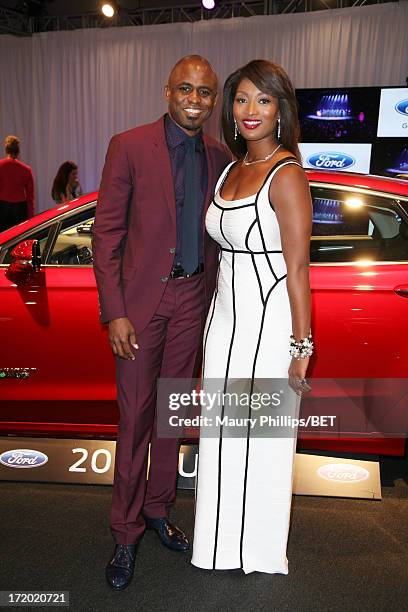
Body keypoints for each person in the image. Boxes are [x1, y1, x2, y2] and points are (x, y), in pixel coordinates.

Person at [92, 55, 231, 590]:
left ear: (213, 100)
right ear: (167, 91)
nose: (195, 101)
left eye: (204, 93)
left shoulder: (218, 155)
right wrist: (115, 312)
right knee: (135, 422)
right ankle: (124, 534)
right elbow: (106, 235)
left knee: (173, 414)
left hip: (194, 298)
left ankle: (156, 508)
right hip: (141, 306)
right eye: (185, 90)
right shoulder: (128, 146)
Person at [191, 59, 313, 574]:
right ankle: (216, 546)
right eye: (241, 99)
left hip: (268, 325)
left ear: (281, 110)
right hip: (222, 325)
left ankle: (258, 551)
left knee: (261, 439)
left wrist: (301, 347)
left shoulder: (287, 174)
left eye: (263, 100)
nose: (250, 111)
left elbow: (300, 268)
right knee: (219, 436)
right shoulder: (229, 167)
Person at [0, 135, 34, 232]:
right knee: (18, 237)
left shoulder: (1, 166)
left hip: (2, 207)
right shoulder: (26, 170)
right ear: (18, 151)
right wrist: (30, 217)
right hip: (20, 208)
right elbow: (30, 197)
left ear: (6, 149)